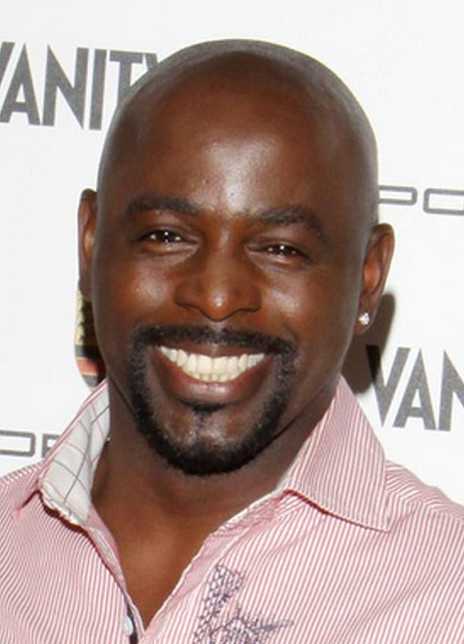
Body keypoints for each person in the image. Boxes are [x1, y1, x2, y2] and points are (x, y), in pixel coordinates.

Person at [1, 40, 463, 644]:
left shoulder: (446, 594)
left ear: (368, 277)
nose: (217, 296)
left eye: (281, 249)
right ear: (90, 245)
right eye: (166, 236)